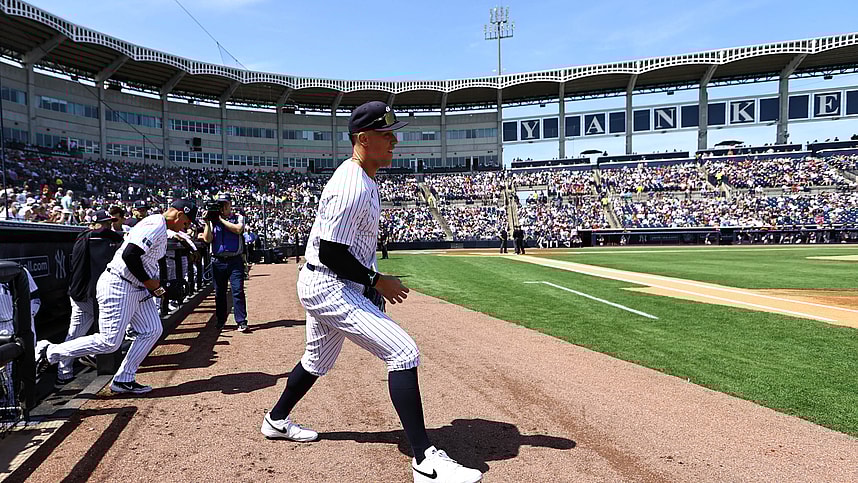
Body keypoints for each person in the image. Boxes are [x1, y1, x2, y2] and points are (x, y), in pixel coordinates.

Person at [260, 101, 482, 483]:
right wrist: (376, 282)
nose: (394, 141)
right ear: (363, 139)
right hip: (328, 283)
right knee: (403, 352)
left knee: (316, 361)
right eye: (386, 134)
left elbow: (346, 247)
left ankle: (276, 420)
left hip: (329, 280)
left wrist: (367, 281)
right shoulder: (351, 186)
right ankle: (425, 462)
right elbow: (331, 252)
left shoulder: (363, 178)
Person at [35, 200, 198, 394]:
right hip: (120, 285)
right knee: (109, 341)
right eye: (186, 222)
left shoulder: (160, 226)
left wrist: (157, 288)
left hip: (136, 287)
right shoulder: (155, 224)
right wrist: (150, 283)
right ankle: (49, 352)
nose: (186, 227)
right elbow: (130, 255)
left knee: (152, 330)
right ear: (179, 215)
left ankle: (124, 379)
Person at [59, 210, 124, 383]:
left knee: (85, 332)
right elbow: (100, 233)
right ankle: (66, 369)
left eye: (109, 223)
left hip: (89, 294)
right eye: (104, 223)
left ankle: (72, 366)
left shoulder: (102, 238)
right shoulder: (87, 237)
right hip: (83, 295)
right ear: (92, 224)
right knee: (78, 333)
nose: (108, 226)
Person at [201, 193, 248, 332]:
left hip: (235, 260)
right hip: (218, 260)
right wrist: (208, 222)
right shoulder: (213, 220)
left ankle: (241, 321)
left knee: (238, 291)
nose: (222, 207)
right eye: (220, 204)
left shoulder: (238, 217)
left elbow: (238, 229)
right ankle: (221, 320)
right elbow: (207, 239)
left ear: (230, 204)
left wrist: (220, 220)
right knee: (219, 293)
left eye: (225, 204)